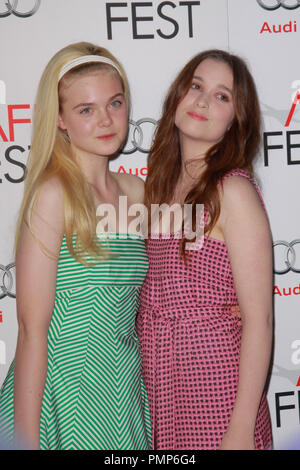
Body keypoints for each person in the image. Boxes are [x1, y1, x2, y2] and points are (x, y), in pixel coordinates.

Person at [0, 42, 152, 450]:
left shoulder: (137, 193)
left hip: (123, 388)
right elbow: (32, 331)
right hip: (61, 394)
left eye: (115, 103)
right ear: (62, 119)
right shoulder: (53, 195)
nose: (106, 120)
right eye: (86, 110)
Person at [136, 49, 273, 450]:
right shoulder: (157, 189)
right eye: (196, 86)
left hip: (217, 389)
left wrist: (241, 428)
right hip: (161, 385)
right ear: (177, 96)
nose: (202, 100)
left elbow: (259, 320)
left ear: (236, 121)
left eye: (222, 96)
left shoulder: (232, 191)